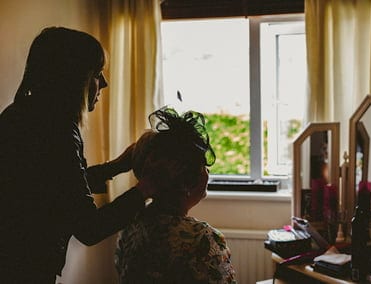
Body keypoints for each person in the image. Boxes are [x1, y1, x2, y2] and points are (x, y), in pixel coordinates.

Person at [0, 27, 154, 281]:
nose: (103, 83)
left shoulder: (20, 115)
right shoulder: (57, 130)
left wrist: (116, 166)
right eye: (96, 74)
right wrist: (146, 189)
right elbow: (88, 227)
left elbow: (56, 188)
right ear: (71, 79)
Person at [115, 107, 236, 283]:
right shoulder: (202, 239)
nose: (207, 172)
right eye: (203, 167)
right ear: (187, 182)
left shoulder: (130, 226)